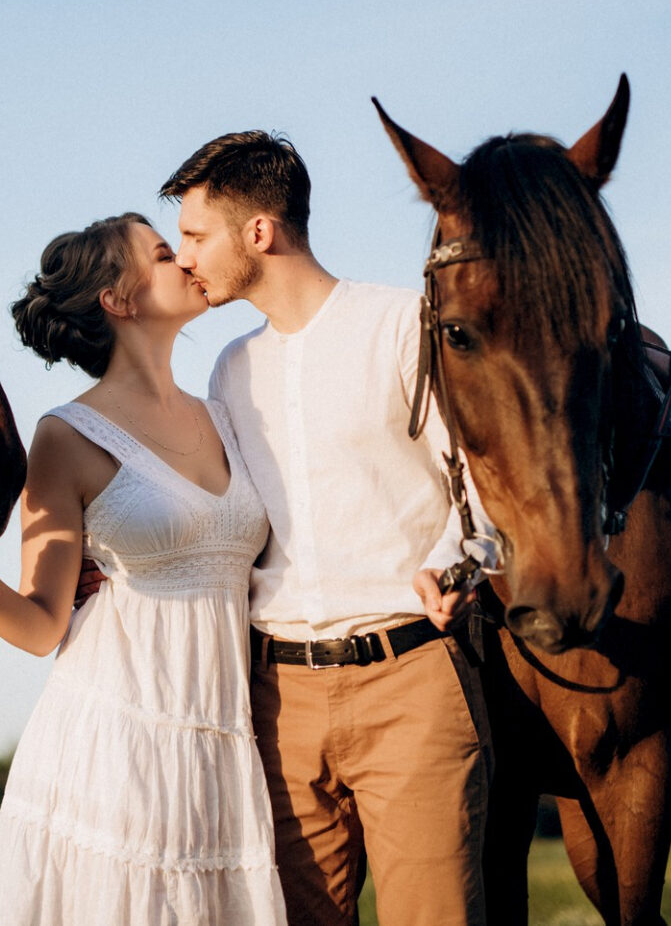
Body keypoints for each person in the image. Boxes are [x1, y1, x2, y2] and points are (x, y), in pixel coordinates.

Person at [0, 213, 286, 926]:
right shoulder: (66, 435)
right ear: (119, 299)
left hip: (222, 743)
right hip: (117, 742)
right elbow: (41, 624)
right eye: (166, 254)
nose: (189, 263)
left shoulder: (227, 411)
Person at [161, 131, 494, 926]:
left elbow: (483, 482)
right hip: (277, 701)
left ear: (259, 232)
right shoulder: (229, 371)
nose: (184, 259)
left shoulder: (403, 326)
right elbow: (223, 521)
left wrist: (455, 561)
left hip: (411, 678)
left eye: (196, 236)